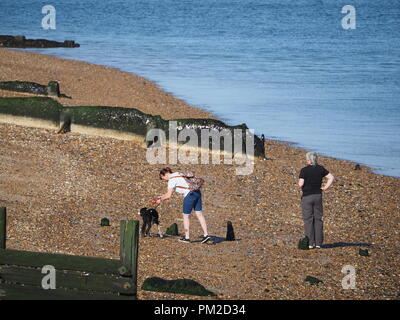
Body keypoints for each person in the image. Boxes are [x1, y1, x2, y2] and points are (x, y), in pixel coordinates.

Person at [157, 167, 210, 244]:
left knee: (186, 216)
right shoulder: (178, 173)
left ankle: (187, 238)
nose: (164, 180)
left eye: (163, 179)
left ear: (163, 175)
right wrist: (162, 197)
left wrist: (160, 200)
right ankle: (206, 235)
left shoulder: (171, 180)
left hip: (189, 195)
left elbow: (168, 195)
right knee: (199, 214)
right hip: (197, 192)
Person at [298, 152, 334, 249]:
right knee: (318, 218)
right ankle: (318, 243)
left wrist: (301, 182)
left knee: (308, 219)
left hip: (307, 196)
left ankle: (310, 243)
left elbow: (301, 184)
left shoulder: (304, 170)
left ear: (309, 160)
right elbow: (331, 177)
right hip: (318, 195)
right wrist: (325, 188)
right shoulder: (321, 169)